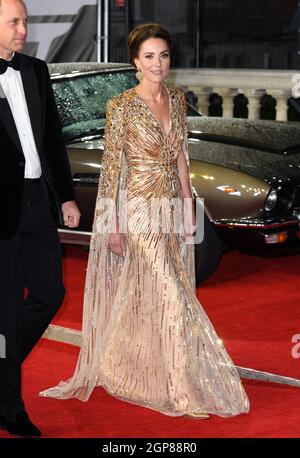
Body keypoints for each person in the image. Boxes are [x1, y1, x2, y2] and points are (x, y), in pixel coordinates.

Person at [40, 23, 249, 419]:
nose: (158, 64)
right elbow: (112, 170)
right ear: (136, 61)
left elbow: (181, 154)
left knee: (161, 291)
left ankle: (134, 361)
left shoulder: (177, 98)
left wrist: (188, 203)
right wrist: (111, 223)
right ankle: (178, 388)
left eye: (164, 55)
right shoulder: (121, 106)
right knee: (173, 295)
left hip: (169, 207)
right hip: (137, 210)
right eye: (149, 56)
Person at [0, 0, 80, 437]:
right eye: (14, 21)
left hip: (38, 202)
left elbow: (52, 138)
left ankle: (2, 365)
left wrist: (65, 197)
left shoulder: (35, 69)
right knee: (6, 312)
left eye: (25, 20)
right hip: (1, 213)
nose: (23, 29)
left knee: (50, 294)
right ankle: (10, 407)